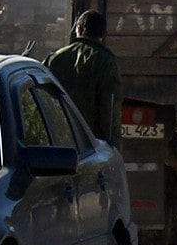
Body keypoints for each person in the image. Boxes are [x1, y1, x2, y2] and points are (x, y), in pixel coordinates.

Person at [45, 10, 122, 145]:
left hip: (57, 142)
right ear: (104, 35)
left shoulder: (55, 58)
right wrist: (112, 147)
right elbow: (109, 111)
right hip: (90, 146)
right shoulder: (106, 62)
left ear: (79, 29)